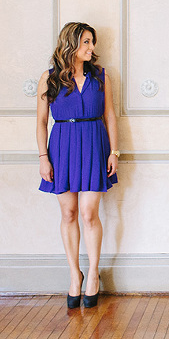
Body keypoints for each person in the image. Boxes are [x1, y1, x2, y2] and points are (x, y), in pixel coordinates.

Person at [36, 22, 119, 309]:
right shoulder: (49, 79)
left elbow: (110, 116)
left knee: (88, 212)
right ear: (71, 43)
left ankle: (93, 273)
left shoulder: (101, 77)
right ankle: (75, 275)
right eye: (86, 42)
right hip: (61, 147)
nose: (91, 48)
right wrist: (43, 157)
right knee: (69, 213)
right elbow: (41, 122)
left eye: (92, 42)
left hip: (95, 144)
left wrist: (114, 152)